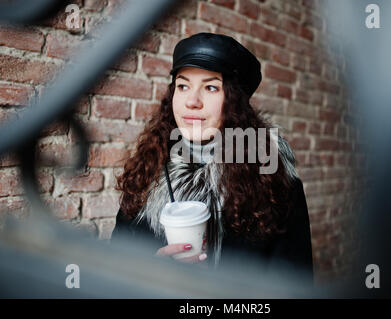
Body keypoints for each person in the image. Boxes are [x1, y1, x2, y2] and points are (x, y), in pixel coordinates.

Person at [111, 32, 313, 284]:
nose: (192, 101)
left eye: (210, 87)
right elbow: (112, 272)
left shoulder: (276, 183)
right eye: (183, 86)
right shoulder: (146, 172)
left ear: (235, 102)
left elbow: (293, 288)